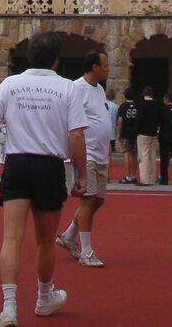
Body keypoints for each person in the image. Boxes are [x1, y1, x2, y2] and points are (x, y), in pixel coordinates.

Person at [0, 30, 86, 326]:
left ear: (29, 56)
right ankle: (44, 297)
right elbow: (76, 135)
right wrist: (81, 173)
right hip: (49, 165)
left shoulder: (11, 84)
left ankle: (9, 306)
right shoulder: (68, 88)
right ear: (56, 60)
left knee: (11, 237)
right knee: (45, 240)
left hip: (17, 163)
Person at [56, 49, 112, 268]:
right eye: (105, 65)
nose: (108, 69)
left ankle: (69, 236)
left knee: (98, 199)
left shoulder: (99, 89)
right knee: (88, 200)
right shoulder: (76, 88)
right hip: (86, 153)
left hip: (100, 152)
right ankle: (87, 251)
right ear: (94, 67)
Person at [135, 86, 160, 186]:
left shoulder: (141, 104)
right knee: (152, 156)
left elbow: (139, 119)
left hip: (143, 133)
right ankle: (151, 178)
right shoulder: (156, 104)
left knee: (143, 156)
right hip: (153, 132)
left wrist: (136, 130)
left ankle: (144, 179)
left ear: (143, 94)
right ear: (152, 94)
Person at [115, 88, 141, 184]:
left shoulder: (123, 106)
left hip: (125, 132)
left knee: (126, 153)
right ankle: (133, 175)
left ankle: (127, 176)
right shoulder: (138, 106)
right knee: (134, 154)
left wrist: (119, 133)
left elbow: (120, 120)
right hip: (135, 132)